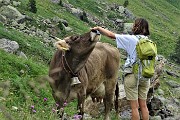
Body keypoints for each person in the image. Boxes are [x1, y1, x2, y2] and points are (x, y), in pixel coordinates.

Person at [91, 18, 150, 120]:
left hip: (133, 75)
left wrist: (99, 28)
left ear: (137, 27)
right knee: (143, 106)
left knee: (134, 107)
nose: (132, 26)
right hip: (146, 76)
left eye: (134, 25)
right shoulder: (150, 42)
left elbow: (111, 35)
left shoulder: (132, 39)